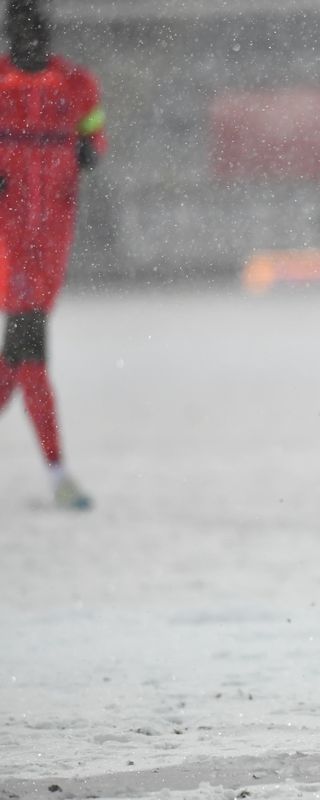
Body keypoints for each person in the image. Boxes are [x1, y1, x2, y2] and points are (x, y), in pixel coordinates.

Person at [0, 0, 105, 510]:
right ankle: (59, 473)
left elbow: (95, 133)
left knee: (14, 357)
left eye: (35, 30)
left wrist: (91, 145)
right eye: (18, 31)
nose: (28, 40)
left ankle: (58, 472)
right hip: (8, 239)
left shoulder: (76, 84)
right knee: (30, 348)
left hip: (53, 238)